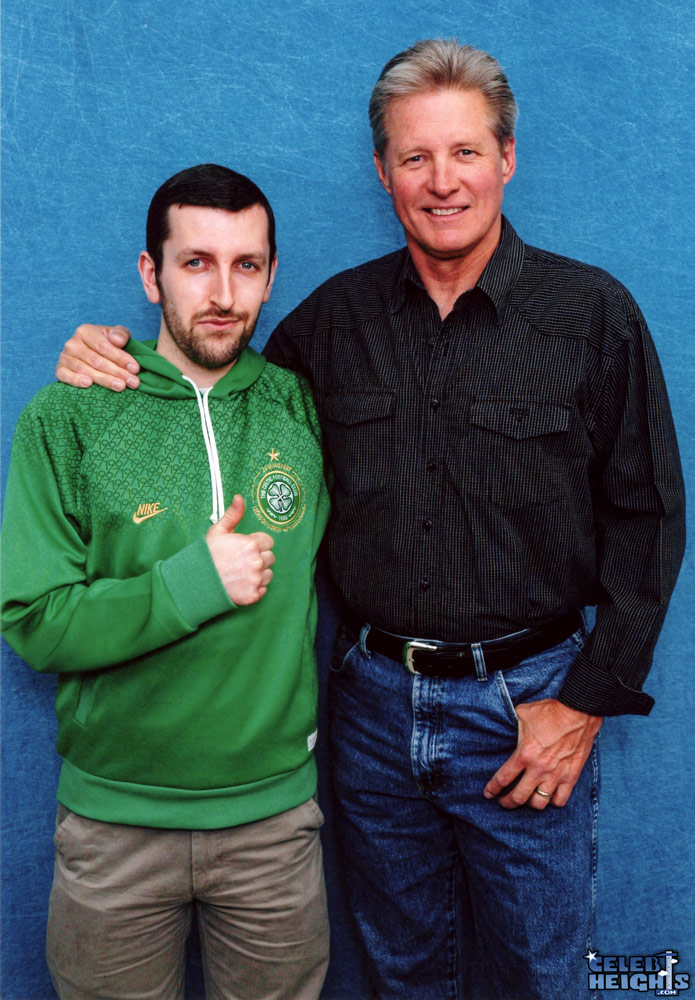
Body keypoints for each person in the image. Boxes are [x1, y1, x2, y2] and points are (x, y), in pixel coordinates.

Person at [53, 40, 686, 1000]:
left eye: (465, 152)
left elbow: (648, 516)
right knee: (401, 974)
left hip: (526, 714)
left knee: (541, 978)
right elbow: (217, 375)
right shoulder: (329, 325)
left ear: (506, 158)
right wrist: (110, 353)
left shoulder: (590, 316)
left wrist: (586, 700)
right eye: (415, 157)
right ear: (382, 169)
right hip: (372, 713)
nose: (442, 182)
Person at [1, 163, 331, 1000]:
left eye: (246, 265)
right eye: (195, 263)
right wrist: (190, 584)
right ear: (150, 274)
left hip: (273, 828)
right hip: (115, 832)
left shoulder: (303, 405)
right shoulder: (66, 414)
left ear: (270, 274)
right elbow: (34, 621)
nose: (222, 292)